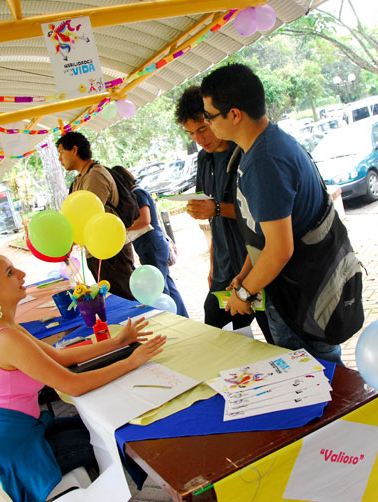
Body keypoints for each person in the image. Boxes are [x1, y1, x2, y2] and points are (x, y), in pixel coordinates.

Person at [0, 249, 165, 501]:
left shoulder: (0, 325)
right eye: (9, 273)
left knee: (100, 427)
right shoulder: (5, 337)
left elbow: (60, 357)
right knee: (113, 440)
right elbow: (71, 385)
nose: (21, 273)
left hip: (15, 435)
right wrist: (131, 361)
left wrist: (117, 342)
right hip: (14, 453)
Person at [199, 64, 364, 364]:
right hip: (297, 293)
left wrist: (245, 294)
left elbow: (279, 249)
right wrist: (247, 270)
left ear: (234, 115)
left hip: (299, 299)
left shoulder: (265, 162)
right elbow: (265, 231)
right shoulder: (265, 146)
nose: (207, 124)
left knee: (318, 385)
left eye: (209, 116)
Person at [174, 86, 272, 343]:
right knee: (218, 331)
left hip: (256, 262)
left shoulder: (245, 153)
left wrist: (216, 208)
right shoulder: (204, 160)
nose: (199, 139)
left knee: (275, 332)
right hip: (224, 269)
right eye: (191, 133)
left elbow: (258, 213)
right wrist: (213, 266)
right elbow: (212, 216)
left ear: (215, 119)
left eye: (202, 129)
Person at [56, 131, 135, 300]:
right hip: (96, 251)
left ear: (74, 150)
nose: (59, 158)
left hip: (110, 250)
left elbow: (88, 216)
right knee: (113, 297)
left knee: (125, 299)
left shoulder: (95, 175)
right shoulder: (79, 180)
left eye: (61, 152)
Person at [111, 165, 189, 317]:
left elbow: (145, 220)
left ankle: (172, 320)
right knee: (167, 284)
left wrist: (123, 227)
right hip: (149, 246)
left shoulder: (137, 193)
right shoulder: (137, 192)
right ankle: (183, 316)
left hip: (152, 245)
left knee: (160, 288)